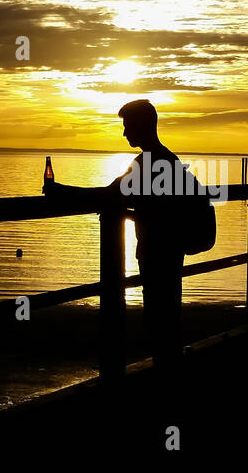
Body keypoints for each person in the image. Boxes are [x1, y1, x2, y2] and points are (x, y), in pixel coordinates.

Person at [43, 100, 195, 374]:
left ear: (141, 125)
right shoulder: (168, 159)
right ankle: (171, 376)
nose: (125, 133)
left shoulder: (147, 163)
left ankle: (166, 382)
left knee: (159, 320)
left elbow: (108, 195)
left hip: (157, 253)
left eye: (127, 126)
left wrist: (61, 192)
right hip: (171, 252)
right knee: (168, 317)